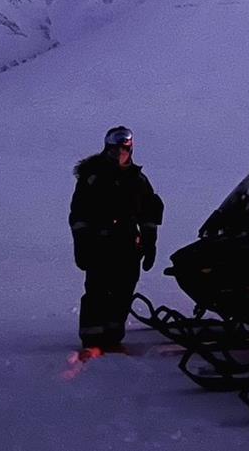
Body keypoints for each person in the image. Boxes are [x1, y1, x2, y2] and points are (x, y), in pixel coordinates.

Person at [69, 126, 163, 352]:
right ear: (107, 149)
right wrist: (81, 243)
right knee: (97, 290)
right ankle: (92, 336)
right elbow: (79, 214)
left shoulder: (138, 180)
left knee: (123, 290)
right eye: (115, 150)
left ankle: (113, 335)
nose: (120, 154)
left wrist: (150, 242)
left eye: (124, 150)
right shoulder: (93, 178)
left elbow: (149, 213)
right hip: (99, 245)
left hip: (128, 244)